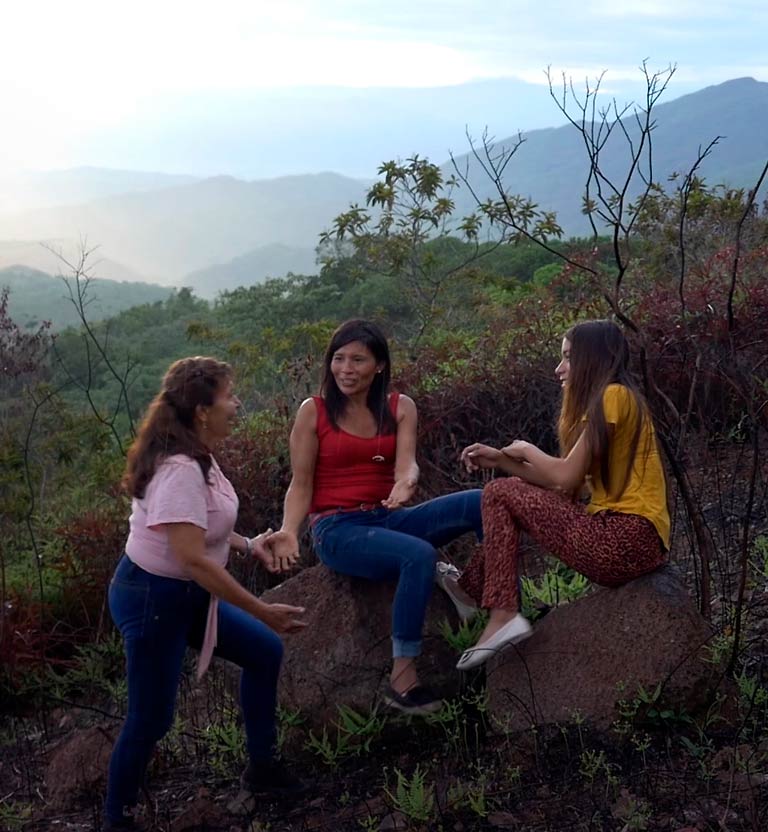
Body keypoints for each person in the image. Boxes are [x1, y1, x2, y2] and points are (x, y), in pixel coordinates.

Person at [104, 357, 307, 832]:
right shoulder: (179, 468)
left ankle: (263, 769)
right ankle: (118, 819)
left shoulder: (197, 452)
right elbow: (191, 558)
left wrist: (250, 543)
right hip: (154, 597)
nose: (236, 406)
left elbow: (204, 528)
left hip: (183, 592)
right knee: (151, 719)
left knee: (263, 651)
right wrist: (261, 609)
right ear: (201, 409)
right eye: (228, 397)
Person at [267, 319, 482, 715]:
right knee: (417, 555)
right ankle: (403, 681)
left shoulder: (400, 408)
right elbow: (301, 484)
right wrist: (288, 531)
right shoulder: (313, 413)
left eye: (358, 360)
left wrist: (406, 483)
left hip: (387, 518)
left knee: (483, 501)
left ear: (379, 365)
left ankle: (496, 603)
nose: (346, 369)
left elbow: (407, 466)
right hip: (337, 528)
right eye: (339, 359)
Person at [455, 319, 670, 670]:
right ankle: (472, 593)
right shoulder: (617, 400)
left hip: (625, 539)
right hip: (633, 543)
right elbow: (564, 486)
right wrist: (499, 458)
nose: (559, 369)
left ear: (594, 358)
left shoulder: (614, 395)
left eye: (568, 357)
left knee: (497, 493)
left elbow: (564, 472)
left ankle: (499, 612)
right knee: (503, 493)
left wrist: (525, 448)